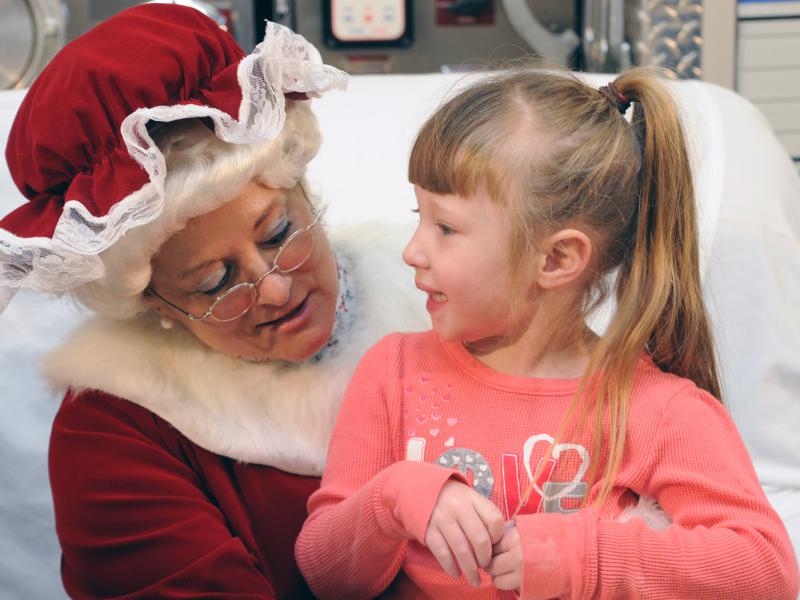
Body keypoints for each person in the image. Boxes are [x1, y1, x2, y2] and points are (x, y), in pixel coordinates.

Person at [295, 67, 800, 598]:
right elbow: (325, 574)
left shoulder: (655, 407)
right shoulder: (394, 373)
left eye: (445, 228)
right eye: (417, 215)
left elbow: (766, 569)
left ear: (557, 258)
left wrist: (589, 559)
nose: (412, 250)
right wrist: (392, 498)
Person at [0, 4, 428, 598]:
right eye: (212, 283)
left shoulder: (444, 300)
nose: (274, 289)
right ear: (153, 303)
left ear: (303, 187)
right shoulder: (113, 433)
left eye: (279, 232)